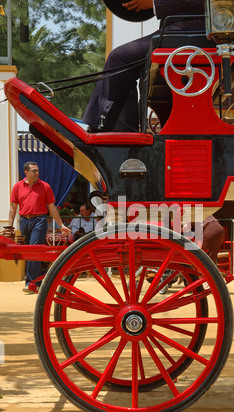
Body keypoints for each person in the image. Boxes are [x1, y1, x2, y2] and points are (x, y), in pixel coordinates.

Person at [83, 0, 206, 133]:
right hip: (179, 29)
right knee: (122, 63)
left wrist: (153, 3)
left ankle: (110, 130)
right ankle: (120, 134)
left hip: (192, 29)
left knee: (119, 59)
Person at [9, 161, 71, 293]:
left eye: (37, 170)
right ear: (26, 172)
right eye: (34, 171)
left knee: (33, 250)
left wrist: (61, 225)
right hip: (24, 221)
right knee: (28, 252)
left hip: (39, 220)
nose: (37, 173)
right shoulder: (17, 187)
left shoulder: (45, 186)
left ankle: (31, 282)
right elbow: (13, 208)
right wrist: (9, 226)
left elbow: (52, 207)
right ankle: (37, 282)